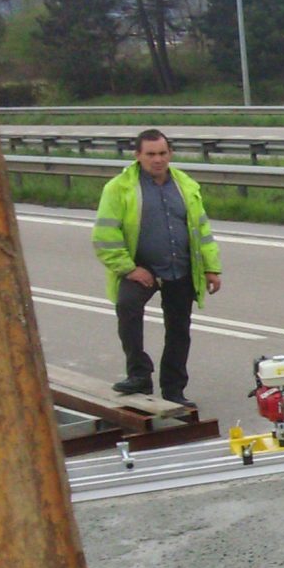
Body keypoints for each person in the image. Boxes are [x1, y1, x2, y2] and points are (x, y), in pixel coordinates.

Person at [91, 129, 223, 407]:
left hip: (180, 267)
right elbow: (105, 236)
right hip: (140, 268)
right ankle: (139, 373)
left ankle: (174, 390)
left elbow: (202, 230)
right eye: (150, 154)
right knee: (127, 308)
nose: (157, 160)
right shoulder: (119, 188)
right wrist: (129, 269)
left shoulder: (185, 185)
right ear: (137, 156)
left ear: (170, 154)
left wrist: (212, 267)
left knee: (178, 330)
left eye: (162, 153)